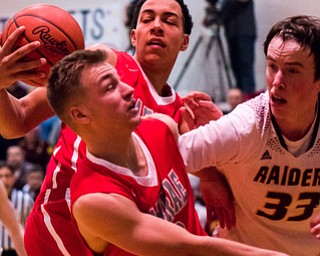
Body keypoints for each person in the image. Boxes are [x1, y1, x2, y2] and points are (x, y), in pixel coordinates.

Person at [0, 1, 233, 255]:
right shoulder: (103, 66)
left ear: (185, 41)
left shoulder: (179, 115)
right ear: (134, 36)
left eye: (168, 20)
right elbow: (18, 120)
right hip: (58, 231)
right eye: (147, 19)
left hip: (118, 242)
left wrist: (211, 173)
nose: (156, 26)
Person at [48, 48, 288, 256]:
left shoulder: (163, 127)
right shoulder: (94, 201)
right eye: (110, 87)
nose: (128, 90)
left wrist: (214, 162)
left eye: (120, 80)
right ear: (80, 115)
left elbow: (244, 174)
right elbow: (189, 248)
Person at [179, 15, 320, 256]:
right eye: (272, 66)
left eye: (292, 71)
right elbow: (165, 153)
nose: (277, 82)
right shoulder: (247, 124)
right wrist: (210, 173)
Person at [219, 0, 256, 95]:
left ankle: (249, 100)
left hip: (244, 30)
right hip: (231, 31)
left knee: (245, 70)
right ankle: (240, 101)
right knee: (235, 70)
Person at [0, 161, 32, 256]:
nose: (4, 180)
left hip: (18, 250)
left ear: (14, 178)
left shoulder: (25, 199)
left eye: (7, 176)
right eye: (1, 176)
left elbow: (31, 228)